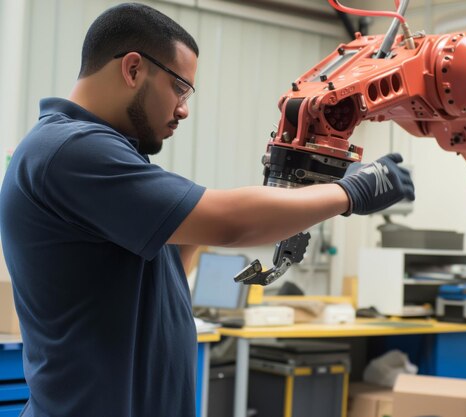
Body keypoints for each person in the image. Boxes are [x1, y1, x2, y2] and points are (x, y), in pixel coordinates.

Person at [0, 3, 414, 417]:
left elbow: (164, 269)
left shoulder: (102, 153)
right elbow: (229, 224)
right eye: (180, 89)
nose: (184, 109)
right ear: (132, 69)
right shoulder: (72, 150)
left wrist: (287, 191)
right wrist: (352, 192)